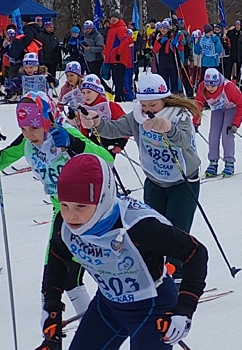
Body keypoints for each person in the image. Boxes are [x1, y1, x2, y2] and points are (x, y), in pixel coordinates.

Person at [37, 153, 208, 349]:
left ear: (102, 199)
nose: (71, 214)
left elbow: (196, 253)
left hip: (153, 307)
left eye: (81, 206)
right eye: (64, 205)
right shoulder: (64, 225)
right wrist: (51, 308)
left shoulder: (138, 226)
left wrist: (184, 309)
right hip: (108, 306)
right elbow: (58, 259)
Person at [0, 91, 114, 323]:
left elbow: (107, 159)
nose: (29, 134)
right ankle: (61, 327)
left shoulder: (65, 133)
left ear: (47, 119)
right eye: (23, 128)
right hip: (61, 213)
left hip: (91, 213)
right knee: (56, 276)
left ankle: (101, 323)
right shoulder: (26, 143)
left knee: (86, 273)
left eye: (34, 127)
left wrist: (73, 144)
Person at [77, 74, 202, 281]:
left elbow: (184, 141)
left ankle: (179, 277)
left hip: (183, 182)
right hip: (154, 180)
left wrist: (168, 128)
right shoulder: (138, 116)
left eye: (152, 104)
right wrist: (96, 122)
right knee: (151, 231)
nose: (147, 109)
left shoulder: (178, 115)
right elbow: (114, 129)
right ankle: (155, 275)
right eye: (143, 104)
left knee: (176, 232)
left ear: (164, 99)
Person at [194, 68, 242, 177]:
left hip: (231, 108)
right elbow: (198, 104)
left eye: (213, 86)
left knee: (226, 134)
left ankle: (229, 162)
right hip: (217, 109)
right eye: (208, 85)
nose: (210, 88)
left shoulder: (229, 87)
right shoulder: (202, 87)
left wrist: (236, 124)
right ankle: (213, 162)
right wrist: (196, 121)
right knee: (213, 134)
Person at [103, 11, 132, 102]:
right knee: (115, 78)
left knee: (119, 79)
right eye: (111, 18)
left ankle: (119, 96)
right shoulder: (111, 29)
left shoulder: (120, 28)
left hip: (118, 58)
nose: (113, 19)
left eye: (115, 17)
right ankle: (119, 95)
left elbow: (125, 40)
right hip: (113, 58)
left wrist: (118, 53)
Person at [153, 21, 183, 94]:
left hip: (172, 61)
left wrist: (178, 41)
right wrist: (160, 43)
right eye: (161, 28)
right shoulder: (158, 38)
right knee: (164, 79)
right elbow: (155, 50)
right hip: (163, 62)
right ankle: (165, 93)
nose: (163, 30)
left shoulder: (172, 36)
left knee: (173, 79)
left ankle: (175, 92)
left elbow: (180, 47)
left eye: (165, 28)